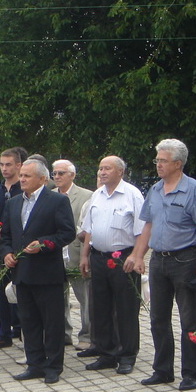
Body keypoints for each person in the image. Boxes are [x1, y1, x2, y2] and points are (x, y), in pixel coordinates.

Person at [126, 139, 196, 391]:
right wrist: (138, 255)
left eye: (163, 161)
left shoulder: (194, 189)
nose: (158, 165)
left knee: (189, 320)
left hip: (185, 261)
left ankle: (191, 374)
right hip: (158, 261)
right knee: (158, 319)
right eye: (157, 160)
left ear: (178, 164)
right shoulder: (155, 190)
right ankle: (163, 370)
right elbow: (147, 226)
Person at [1, 159, 75, 384]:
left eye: (27, 176)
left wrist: (43, 244)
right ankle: (34, 364)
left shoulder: (57, 201)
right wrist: (6, 254)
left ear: (42, 179)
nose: (21, 179)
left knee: (52, 323)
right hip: (22, 273)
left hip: (47, 273)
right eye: (21, 175)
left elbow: (67, 233)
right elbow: (6, 236)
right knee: (29, 321)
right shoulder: (13, 203)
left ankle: (53, 366)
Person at [79, 156, 145, 375]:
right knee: (100, 308)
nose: (102, 172)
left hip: (122, 258)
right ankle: (106, 353)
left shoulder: (132, 195)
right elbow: (89, 229)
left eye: (107, 168)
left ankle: (127, 354)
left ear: (120, 171)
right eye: (100, 168)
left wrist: (136, 256)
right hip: (98, 257)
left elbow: (142, 230)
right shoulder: (97, 195)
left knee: (126, 309)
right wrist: (85, 256)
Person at [0, 147, 24, 350]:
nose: (4, 168)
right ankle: (4, 333)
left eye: (8, 164)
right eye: (1, 164)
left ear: (18, 165)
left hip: (21, 249)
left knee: (22, 291)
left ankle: (23, 330)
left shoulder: (24, 188)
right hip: (1, 248)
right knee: (1, 290)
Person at [51, 159, 93, 349]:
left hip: (77, 254)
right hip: (54, 256)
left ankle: (87, 335)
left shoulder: (86, 196)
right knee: (59, 299)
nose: (57, 177)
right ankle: (63, 333)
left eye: (61, 173)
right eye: (54, 173)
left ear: (72, 175)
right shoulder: (48, 195)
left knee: (85, 298)